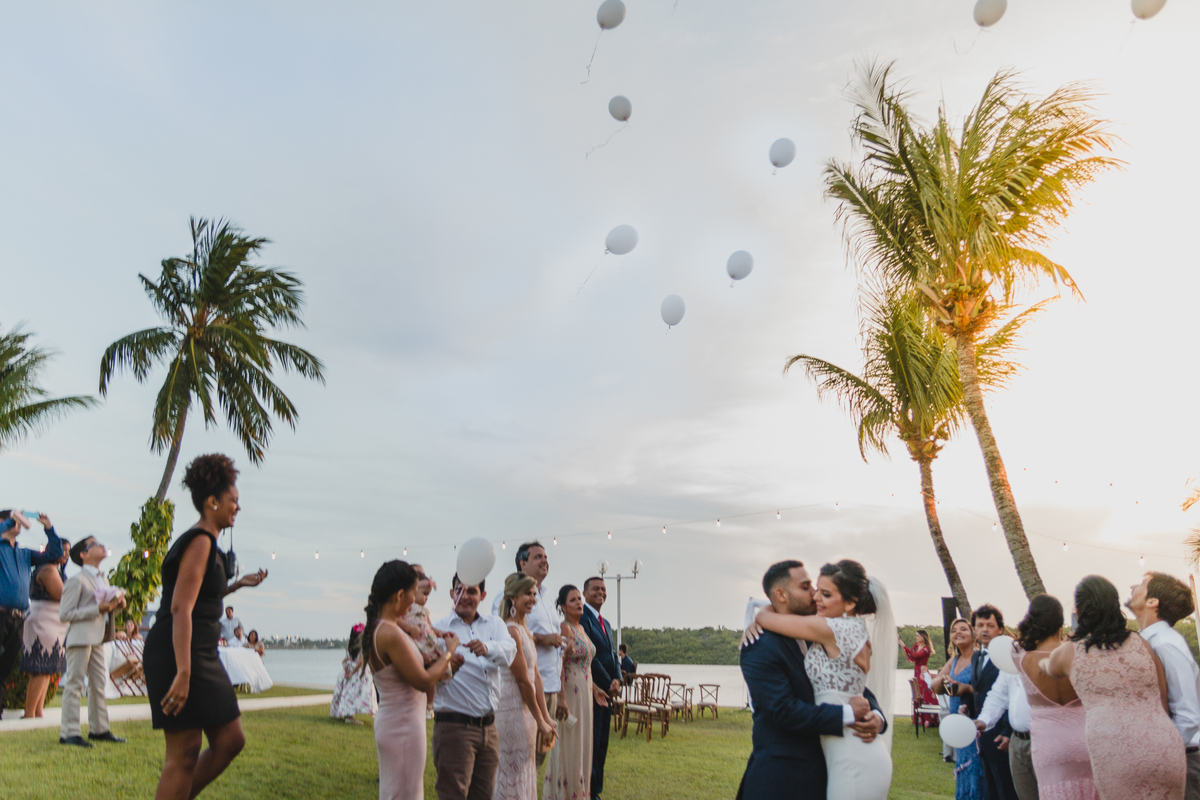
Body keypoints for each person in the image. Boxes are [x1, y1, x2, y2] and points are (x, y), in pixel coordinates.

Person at [143, 454, 269, 800]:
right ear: (212, 501)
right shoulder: (200, 541)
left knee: (230, 739)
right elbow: (181, 607)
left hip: (200, 651)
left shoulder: (208, 543)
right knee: (184, 752)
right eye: (233, 500)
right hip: (179, 651)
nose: (238, 507)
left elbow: (200, 598)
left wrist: (237, 584)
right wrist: (183, 672)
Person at [737, 559, 888, 800]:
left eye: (818, 589)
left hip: (837, 764)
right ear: (781, 595)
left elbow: (852, 685)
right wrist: (848, 713)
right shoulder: (759, 646)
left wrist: (877, 716)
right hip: (783, 779)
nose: (815, 594)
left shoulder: (820, 632)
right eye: (805, 587)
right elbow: (783, 711)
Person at [1044, 575, 1185, 800]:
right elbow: (1162, 698)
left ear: (1079, 611)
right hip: (1164, 745)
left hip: (1116, 751)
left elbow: (1049, 669)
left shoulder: (1070, 651)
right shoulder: (1141, 642)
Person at [363, 560, 459, 800]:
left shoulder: (383, 627)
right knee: (405, 793)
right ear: (399, 595)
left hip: (397, 722)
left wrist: (443, 664)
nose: (415, 599)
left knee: (399, 792)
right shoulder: (390, 633)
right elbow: (424, 681)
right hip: (403, 727)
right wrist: (448, 652)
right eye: (413, 592)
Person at [999, 594, 1093, 800]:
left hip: (1047, 742)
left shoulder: (1020, 655)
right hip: (1083, 740)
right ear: (1061, 623)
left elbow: (1018, 642)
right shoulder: (1078, 653)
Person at [432, 573, 516, 800]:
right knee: (453, 794)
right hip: (454, 727)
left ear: (483, 595)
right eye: (459, 590)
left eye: (472, 591)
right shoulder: (438, 630)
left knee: (484, 795)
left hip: (489, 727)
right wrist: (448, 666)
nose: (465, 596)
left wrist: (487, 648)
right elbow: (426, 676)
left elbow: (510, 652)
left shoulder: (494, 624)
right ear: (451, 593)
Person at [1128, 572, 1200, 800]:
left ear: (1153, 601)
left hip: (1181, 762)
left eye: (1141, 584)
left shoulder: (1166, 644)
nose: (1133, 587)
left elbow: (1188, 716)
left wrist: (1158, 756)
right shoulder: (1151, 641)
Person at [491, 541, 562, 766]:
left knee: (535, 758)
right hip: (519, 695)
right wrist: (544, 639)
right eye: (538, 557)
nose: (545, 560)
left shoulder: (547, 598)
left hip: (547, 683)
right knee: (515, 762)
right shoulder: (504, 597)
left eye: (546, 556)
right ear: (523, 564)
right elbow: (501, 636)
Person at [58, 535, 126, 747]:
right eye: (95, 544)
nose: (102, 545)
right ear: (84, 554)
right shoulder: (76, 580)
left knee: (99, 684)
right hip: (80, 638)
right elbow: (65, 614)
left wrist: (116, 606)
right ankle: (69, 732)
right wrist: (97, 608)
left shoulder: (102, 579)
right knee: (75, 684)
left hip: (98, 637)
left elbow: (103, 610)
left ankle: (99, 729)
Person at [494, 572, 557, 800]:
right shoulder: (511, 631)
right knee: (512, 771)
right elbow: (522, 680)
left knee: (525, 768)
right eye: (527, 594)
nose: (532, 599)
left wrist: (545, 717)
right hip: (512, 710)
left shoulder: (524, 629)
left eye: (534, 594)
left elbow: (536, 675)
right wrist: (539, 719)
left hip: (527, 711)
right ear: (513, 598)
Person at [545, 584, 608, 800]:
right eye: (573, 600)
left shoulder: (581, 628)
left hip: (586, 694)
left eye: (579, 599)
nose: (579, 603)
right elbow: (559, 665)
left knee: (583, 746)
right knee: (570, 746)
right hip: (570, 694)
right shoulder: (565, 629)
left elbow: (587, 665)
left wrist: (596, 689)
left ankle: (581, 794)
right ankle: (565, 794)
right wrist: (561, 698)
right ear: (563, 607)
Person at [0, 509, 64, 719]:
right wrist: (9, 522)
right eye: (14, 521)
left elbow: (54, 554)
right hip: (1, 614)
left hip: (18, 617)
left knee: (4, 668)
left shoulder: (23, 553)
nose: (18, 524)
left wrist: (48, 528)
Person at [965, 605, 1018, 800]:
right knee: (991, 792)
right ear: (974, 629)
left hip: (1003, 736)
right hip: (983, 734)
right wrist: (967, 708)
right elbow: (977, 690)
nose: (984, 630)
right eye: (980, 625)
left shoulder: (1012, 656)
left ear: (1001, 629)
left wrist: (1008, 731)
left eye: (990, 625)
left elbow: (1013, 696)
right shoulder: (976, 656)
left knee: (1008, 792)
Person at [931, 618, 984, 800]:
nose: (958, 632)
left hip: (975, 721)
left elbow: (987, 690)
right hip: (958, 725)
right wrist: (944, 680)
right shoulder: (954, 659)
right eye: (954, 630)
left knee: (976, 768)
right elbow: (935, 686)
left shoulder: (980, 658)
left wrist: (966, 688)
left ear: (973, 635)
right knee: (964, 768)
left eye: (963, 629)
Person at [581, 575, 621, 800]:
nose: (601, 592)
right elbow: (591, 656)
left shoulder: (605, 623)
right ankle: (589, 791)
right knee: (592, 744)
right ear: (585, 593)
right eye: (595, 588)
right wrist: (607, 683)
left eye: (604, 589)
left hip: (608, 692)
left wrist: (618, 679)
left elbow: (613, 655)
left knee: (603, 742)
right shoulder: (583, 618)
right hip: (592, 690)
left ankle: (596, 791)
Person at [20, 536, 70, 718]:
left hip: (54, 621)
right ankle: (29, 713)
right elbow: (62, 595)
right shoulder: (47, 569)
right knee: (41, 668)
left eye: (68, 551)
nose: (65, 554)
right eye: (63, 550)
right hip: (44, 620)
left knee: (48, 669)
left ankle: (38, 711)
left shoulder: (54, 570)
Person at [400, 571, 449, 712]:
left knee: (431, 675)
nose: (426, 598)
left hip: (428, 645)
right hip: (416, 644)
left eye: (428, 595)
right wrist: (408, 627)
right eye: (424, 594)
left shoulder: (425, 611)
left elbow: (430, 626)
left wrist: (440, 633)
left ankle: (430, 704)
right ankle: (418, 703)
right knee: (418, 674)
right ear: (414, 591)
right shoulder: (406, 608)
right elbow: (398, 621)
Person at [330, 624, 377, 724]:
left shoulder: (350, 648)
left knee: (348, 693)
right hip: (358, 673)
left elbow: (345, 661)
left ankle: (347, 714)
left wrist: (347, 670)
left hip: (349, 671)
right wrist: (352, 672)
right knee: (358, 693)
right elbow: (361, 662)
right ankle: (349, 716)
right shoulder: (363, 646)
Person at [901, 629, 938, 727]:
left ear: (923, 637)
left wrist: (903, 645)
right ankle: (919, 718)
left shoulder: (926, 649)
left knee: (925, 693)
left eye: (917, 636)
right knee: (918, 694)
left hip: (923, 672)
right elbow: (911, 657)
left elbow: (915, 656)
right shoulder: (916, 646)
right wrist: (906, 651)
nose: (916, 637)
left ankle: (929, 719)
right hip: (917, 671)